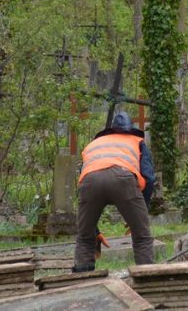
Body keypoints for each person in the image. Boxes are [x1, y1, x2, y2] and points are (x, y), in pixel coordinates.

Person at [72, 110, 156, 272]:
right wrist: (140, 213)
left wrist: (93, 230)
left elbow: (84, 179)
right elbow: (149, 178)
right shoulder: (137, 141)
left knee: (84, 237)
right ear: (130, 129)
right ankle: (148, 277)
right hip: (123, 180)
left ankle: (82, 282)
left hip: (90, 182)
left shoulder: (94, 144)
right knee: (142, 237)